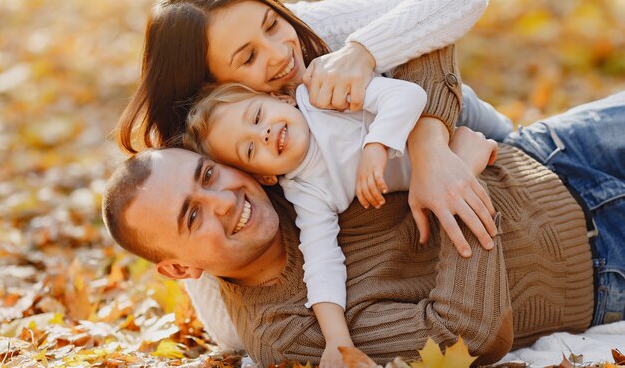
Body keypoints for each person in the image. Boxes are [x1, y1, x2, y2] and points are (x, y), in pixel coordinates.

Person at [103, 49, 625, 367]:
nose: (225, 201)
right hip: (603, 262)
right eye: (191, 216)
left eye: (208, 175)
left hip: (554, 150)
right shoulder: (288, 330)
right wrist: (463, 179)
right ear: (178, 268)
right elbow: (467, 333)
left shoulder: (273, 154)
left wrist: (431, 148)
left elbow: (428, 46)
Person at [116, 0, 514, 260]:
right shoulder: (212, 155)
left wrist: (362, 53)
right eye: (249, 57)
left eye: (272, 24)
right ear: (210, 87)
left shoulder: (311, 29)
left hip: (483, 131)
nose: (279, 52)